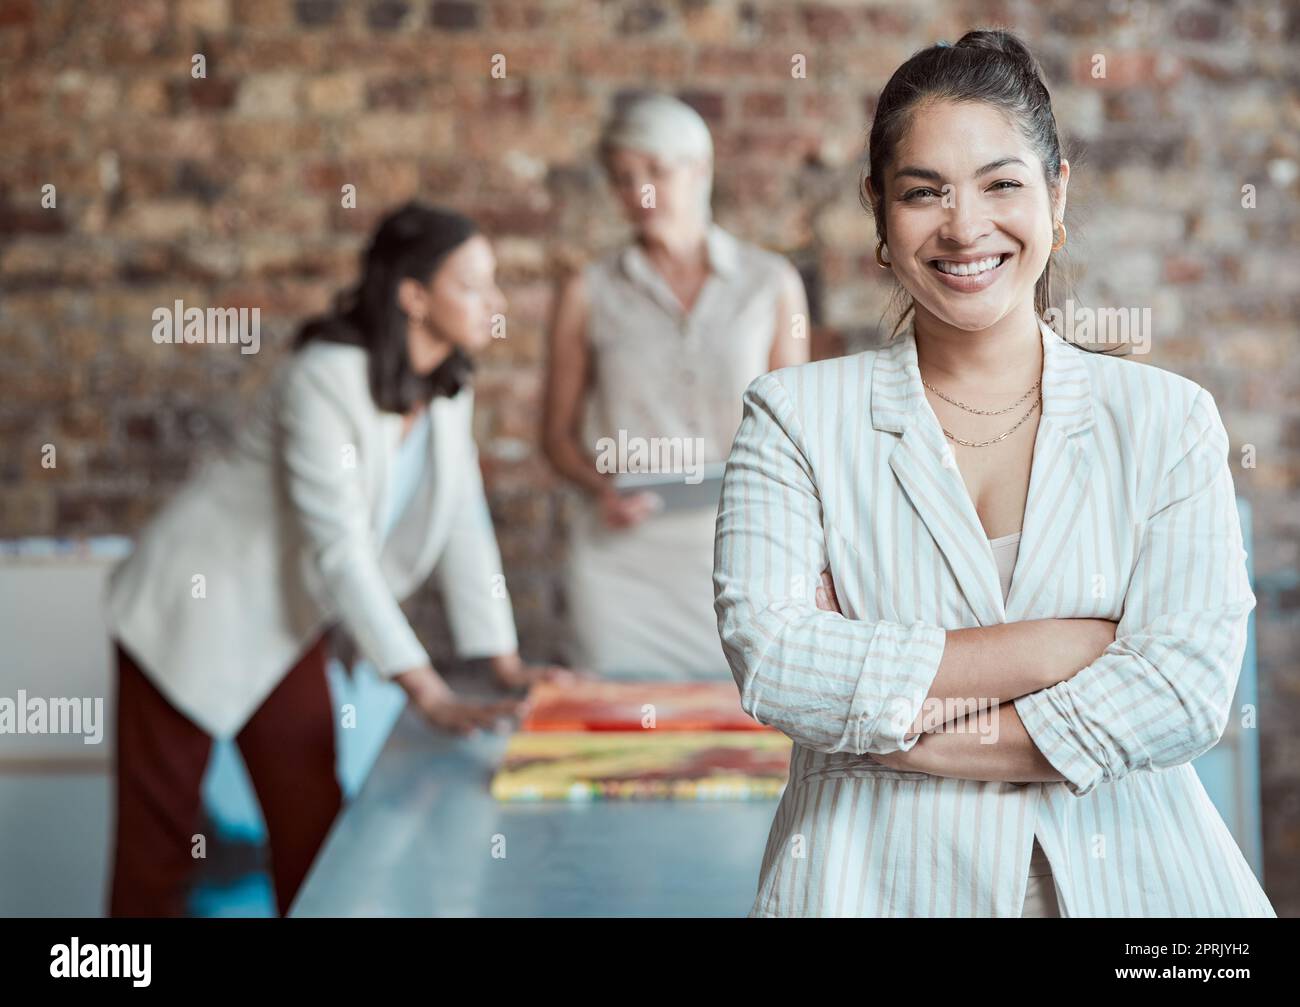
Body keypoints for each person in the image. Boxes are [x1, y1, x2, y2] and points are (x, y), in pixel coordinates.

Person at [713, 30, 1276, 918]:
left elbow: (1182, 691)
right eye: (923, 191)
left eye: (1001, 183)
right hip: (870, 885)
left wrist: (881, 732)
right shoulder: (793, 417)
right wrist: (1062, 646)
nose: (965, 226)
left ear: (1057, 194)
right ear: (878, 213)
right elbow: (776, 661)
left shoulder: (1168, 421)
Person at [104, 202, 569, 916]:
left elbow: (463, 523)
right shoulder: (325, 376)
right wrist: (428, 690)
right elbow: (341, 549)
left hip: (283, 620)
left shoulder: (448, 385)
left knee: (314, 830)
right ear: (414, 296)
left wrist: (500, 659)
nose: (496, 303)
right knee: (157, 850)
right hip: (187, 609)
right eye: (474, 285)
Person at [544, 92, 810, 681]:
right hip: (621, 560)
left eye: (656, 173)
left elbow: (799, 435)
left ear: (700, 170)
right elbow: (556, 435)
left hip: (741, 555)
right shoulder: (587, 291)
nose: (639, 193)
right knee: (612, 741)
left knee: (742, 743)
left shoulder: (771, 284)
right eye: (623, 178)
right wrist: (600, 485)